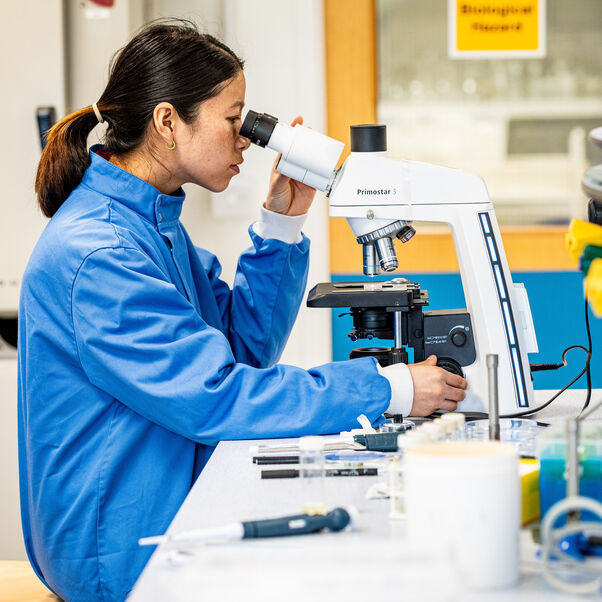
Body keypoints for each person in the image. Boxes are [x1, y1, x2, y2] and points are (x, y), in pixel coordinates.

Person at [18, 20, 467, 601]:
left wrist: (281, 222)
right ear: (166, 122)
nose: (248, 138)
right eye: (234, 119)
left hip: (166, 505)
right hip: (120, 547)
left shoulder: (154, 233)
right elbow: (216, 392)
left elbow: (240, 352)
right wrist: (389, 389)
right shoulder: (100, 255)